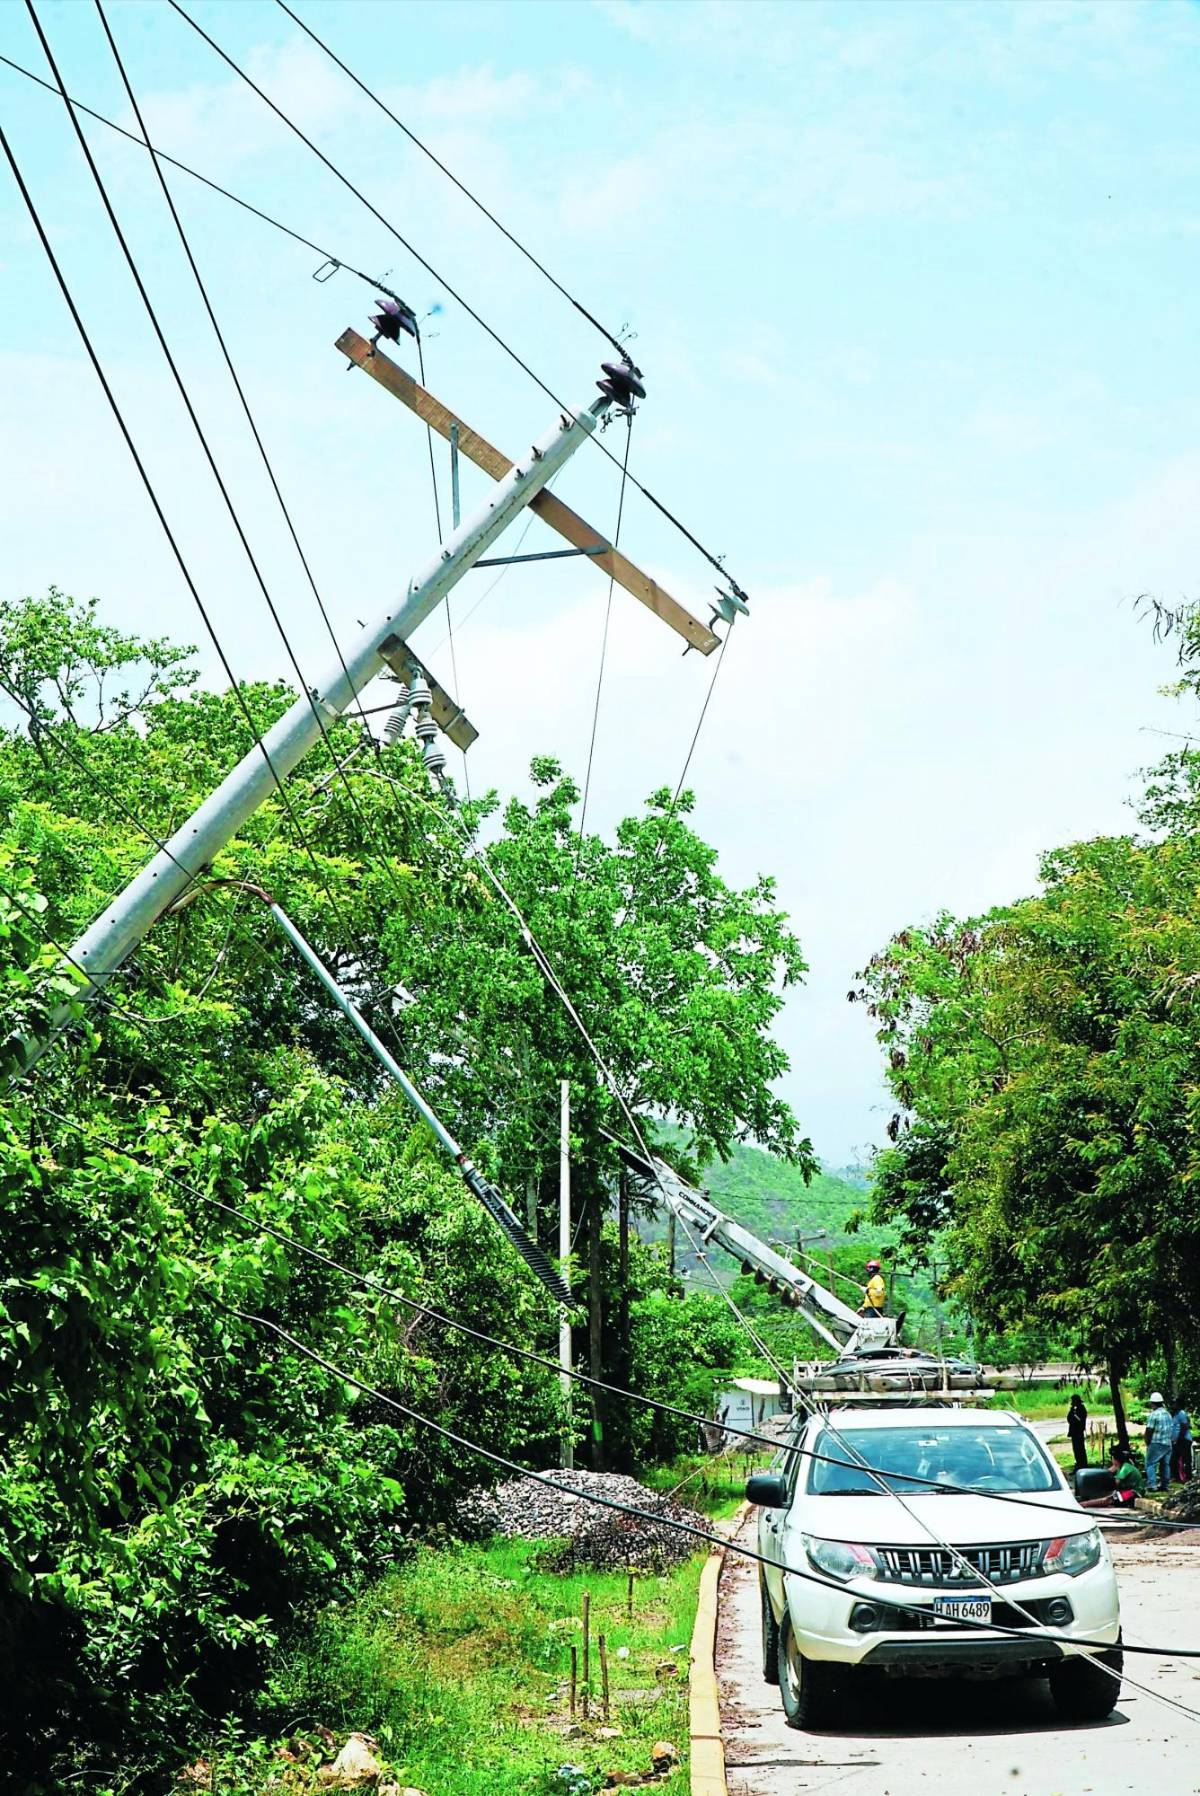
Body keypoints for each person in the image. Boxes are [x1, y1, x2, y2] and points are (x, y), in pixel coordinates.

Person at [1144, 1391, 1174, 1492]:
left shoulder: (1154, 1415)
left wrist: (1147, 1442)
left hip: (1156, 1443)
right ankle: (1165, 1485)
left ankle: (1152, 1485)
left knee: (1150, 1464)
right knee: (1165, 1465)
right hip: (1167, 1443)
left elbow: (1149, 1430)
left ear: (1153, 1403)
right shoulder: (1168, 1414)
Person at [1172, 1397, 1193, 1485]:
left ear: (1179, 1404)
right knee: (1175, 1459)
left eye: (1174, 1403)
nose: (1173, 1405)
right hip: (1178, 1440)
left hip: (1183, 1440)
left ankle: (1187, 1477)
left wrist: (1179, 1439)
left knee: (1185, 1459)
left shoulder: (1181, 1413)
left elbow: (1184, 1427)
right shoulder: (1176, 1414)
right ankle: (1178, 1477)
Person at [1067, 1393, 1089, 1469]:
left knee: (1080, 1449)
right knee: (1076, 1450)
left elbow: (1079, 1420)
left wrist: (1074, 1414)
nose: (1072, 1402)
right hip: (1074, 1432)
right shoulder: (1074, 1409)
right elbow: (1069, 1419)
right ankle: (1079, 1465)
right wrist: (1071, 1410)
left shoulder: (1081, 1409)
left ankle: (1083, 1465)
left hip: (1078, 1432)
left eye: (1073, 1400)